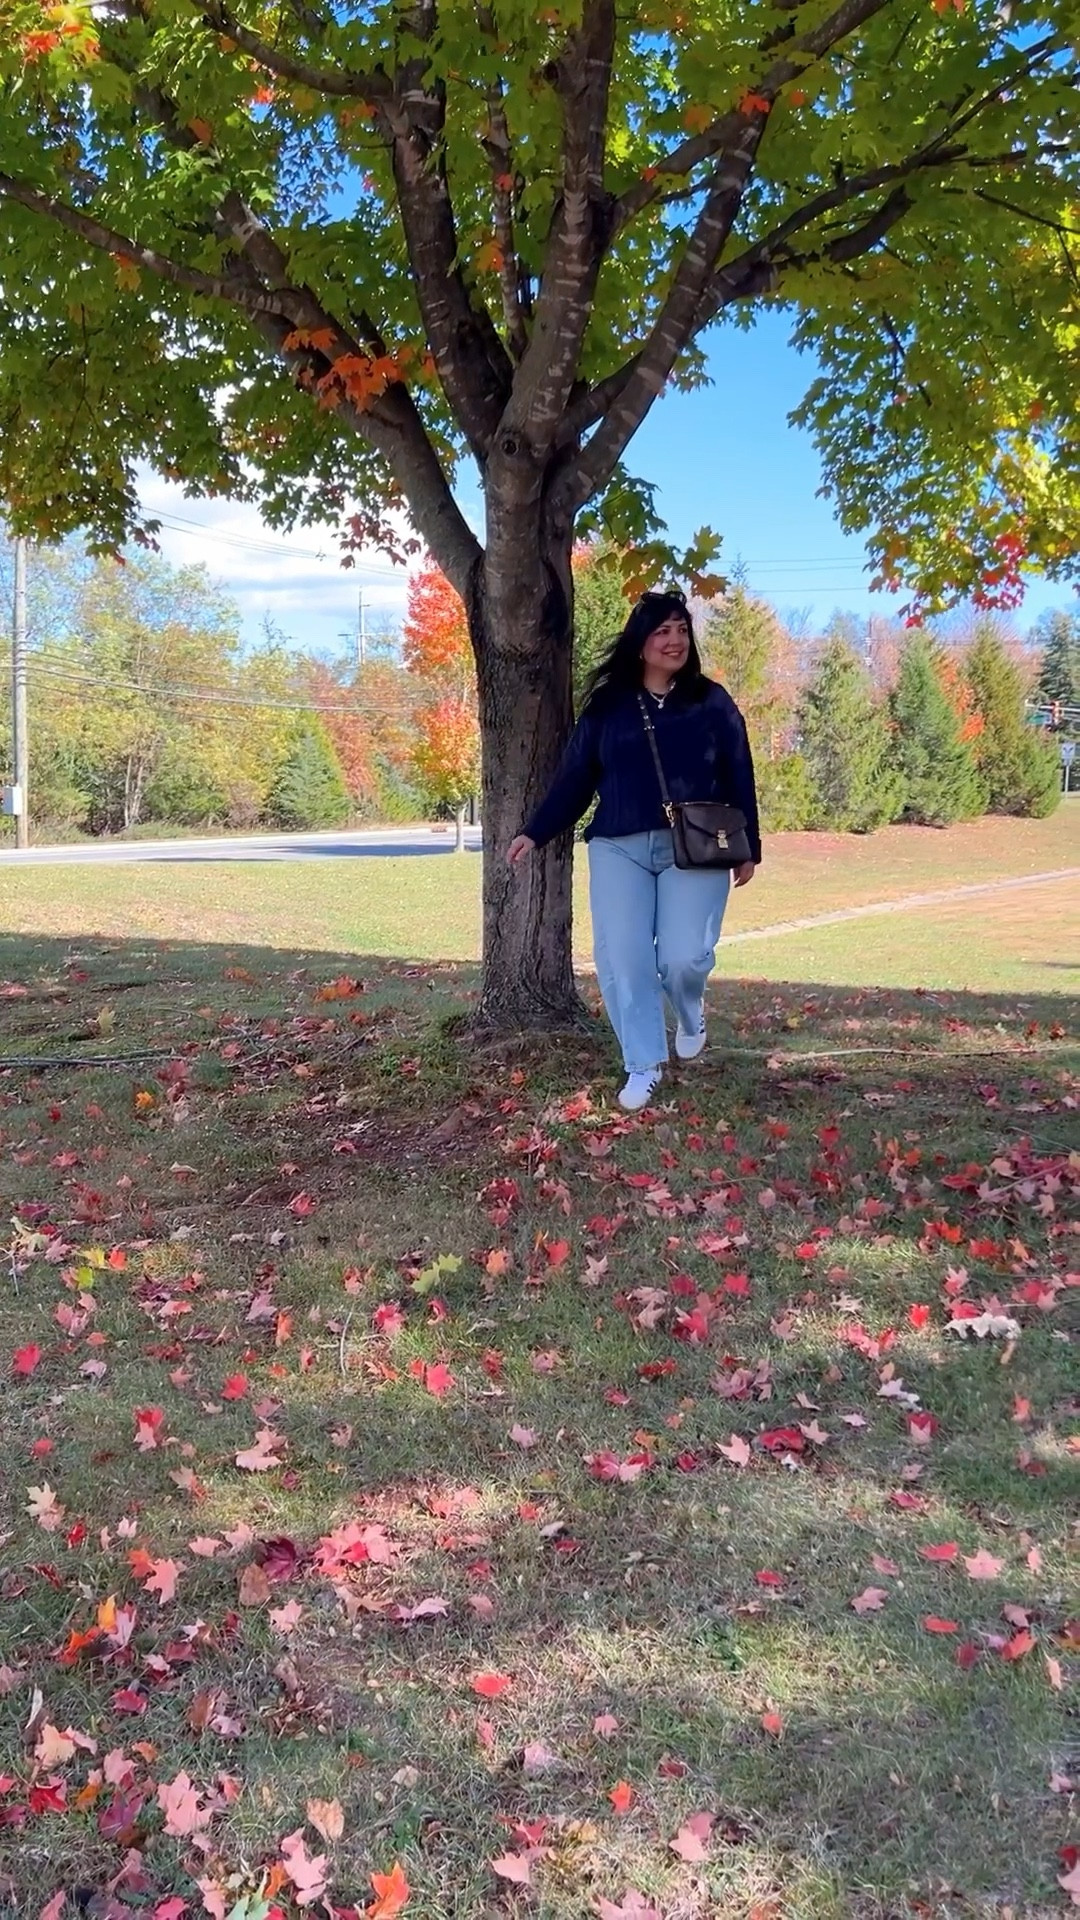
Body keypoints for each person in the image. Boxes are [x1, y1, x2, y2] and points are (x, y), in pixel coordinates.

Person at [507, 588, 761, 1112]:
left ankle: (690, 1012)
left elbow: (740, 771)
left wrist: (748, 845)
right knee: (623, 958)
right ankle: (643, 1064)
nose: (675, 640)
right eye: (662, 631)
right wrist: (536, 829)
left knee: (684, 957)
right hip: (618, 845)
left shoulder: (711, 701)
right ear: (640, 642)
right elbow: (575, 778)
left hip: (695, 846)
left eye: (682, 630)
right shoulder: (607, 707)